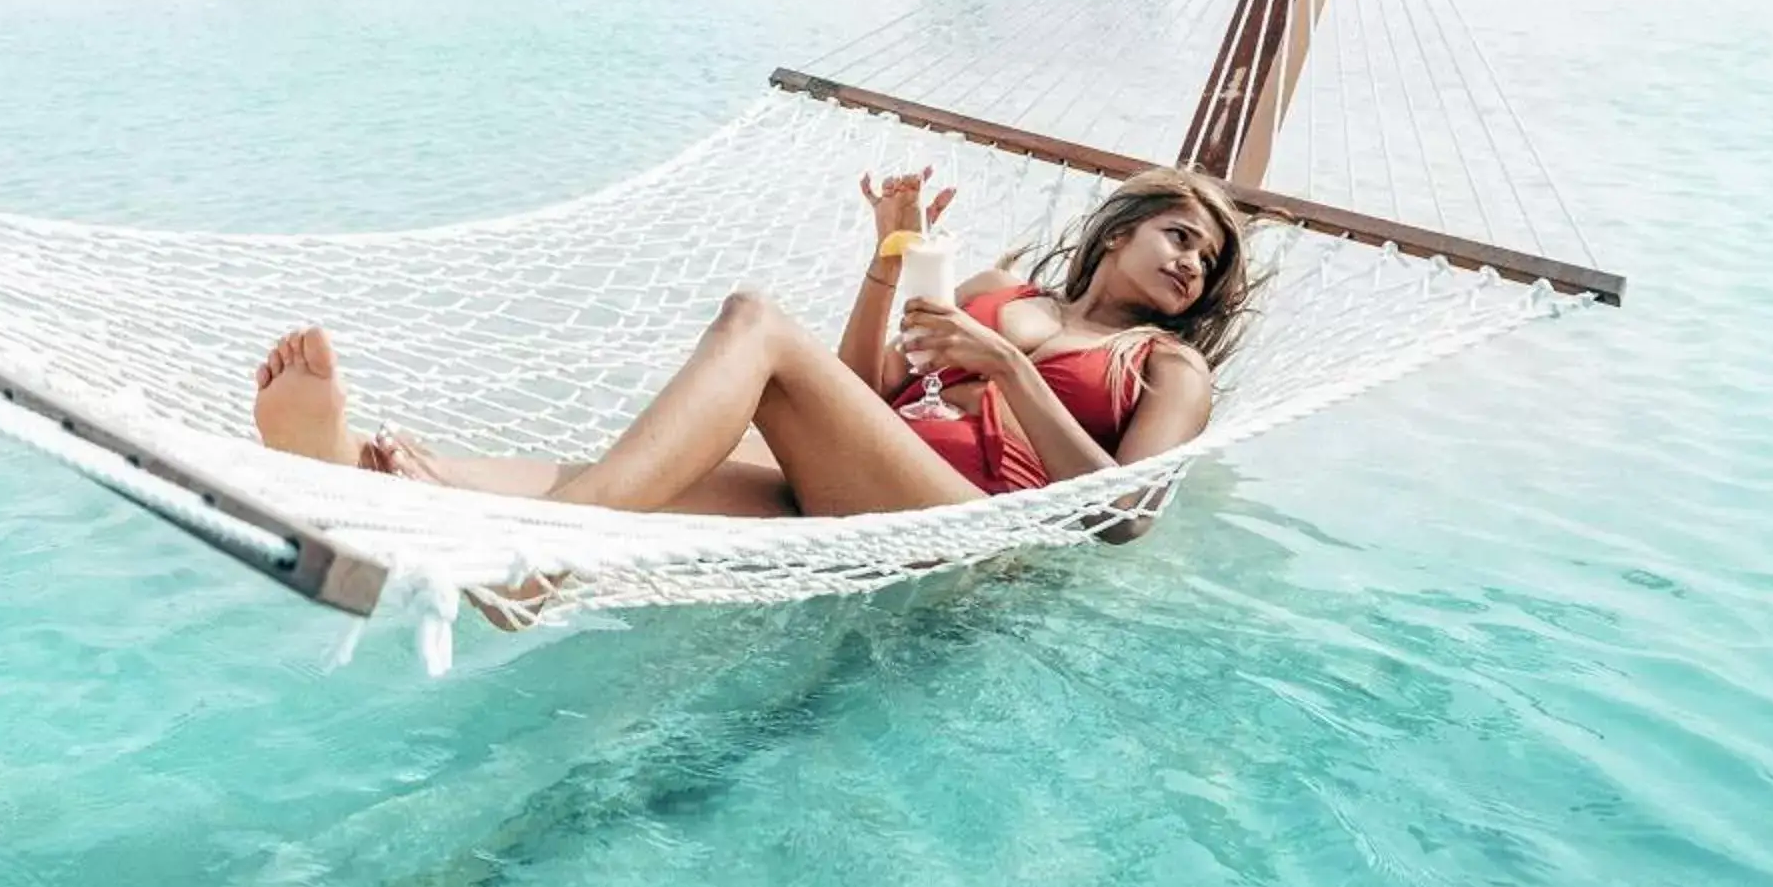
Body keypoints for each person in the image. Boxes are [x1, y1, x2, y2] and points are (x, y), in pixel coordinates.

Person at [249, 163, 1248, 535]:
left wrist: (1012, 372)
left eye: (1206, 262)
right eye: (1180, 236)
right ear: (1121, 230)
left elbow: (1123, 514)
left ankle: (556, 540)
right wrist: (891, 252)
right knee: (633, 476)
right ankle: (347, 472)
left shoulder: (1168, 367)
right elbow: (861, 390)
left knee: (757, 323)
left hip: (976, 523)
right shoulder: (999, 287)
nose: (1190, 266)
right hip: (863, 476)